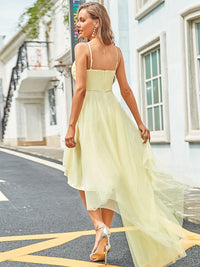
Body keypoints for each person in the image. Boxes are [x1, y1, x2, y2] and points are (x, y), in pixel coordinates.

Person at [63, 2, 200, 266]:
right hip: (113, 116)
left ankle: (99, 226)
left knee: (80, 172)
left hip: (89, 115)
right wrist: (139, 122)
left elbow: (80, 90)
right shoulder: (116, 52)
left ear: (97, 22)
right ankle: (101, 238)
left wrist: (71, 125)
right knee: (113, 176)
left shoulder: (83, 49)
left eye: (81, 20)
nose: (77, 25)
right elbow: (125, 90)